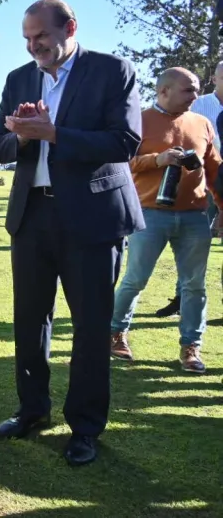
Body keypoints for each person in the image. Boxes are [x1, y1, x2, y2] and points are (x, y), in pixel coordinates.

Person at [0, 0, 144, 467]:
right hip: (32, 214)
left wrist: (54, 134)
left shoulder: (112, 71)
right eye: (27, 38)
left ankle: (85, 427)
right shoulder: (19, 78)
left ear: (70, 27)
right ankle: (32, 410)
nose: (33, 46)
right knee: (29, 320)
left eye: (41, 36)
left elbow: (125, 142)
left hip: (93, 217)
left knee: (91, 327)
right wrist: (21, 135)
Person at [109, 68, 221, 373]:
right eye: (188, 90)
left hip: (195, 215)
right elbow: (119, 163)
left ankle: (191, 347)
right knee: (135, 279)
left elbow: (214, 169)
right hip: (149, 214)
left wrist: (222, 207)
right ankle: (116, 333)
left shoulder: (202, 123)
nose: (195, 96)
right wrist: (157, 160)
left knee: (194, 285)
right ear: (164, 91)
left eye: (196, 89)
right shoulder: (139, 120)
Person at [155, 62, 223, 318]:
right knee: (190, 244)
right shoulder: (199, 104)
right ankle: (181, 298)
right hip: (200, 181)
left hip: (222, 179)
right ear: (215, 79)